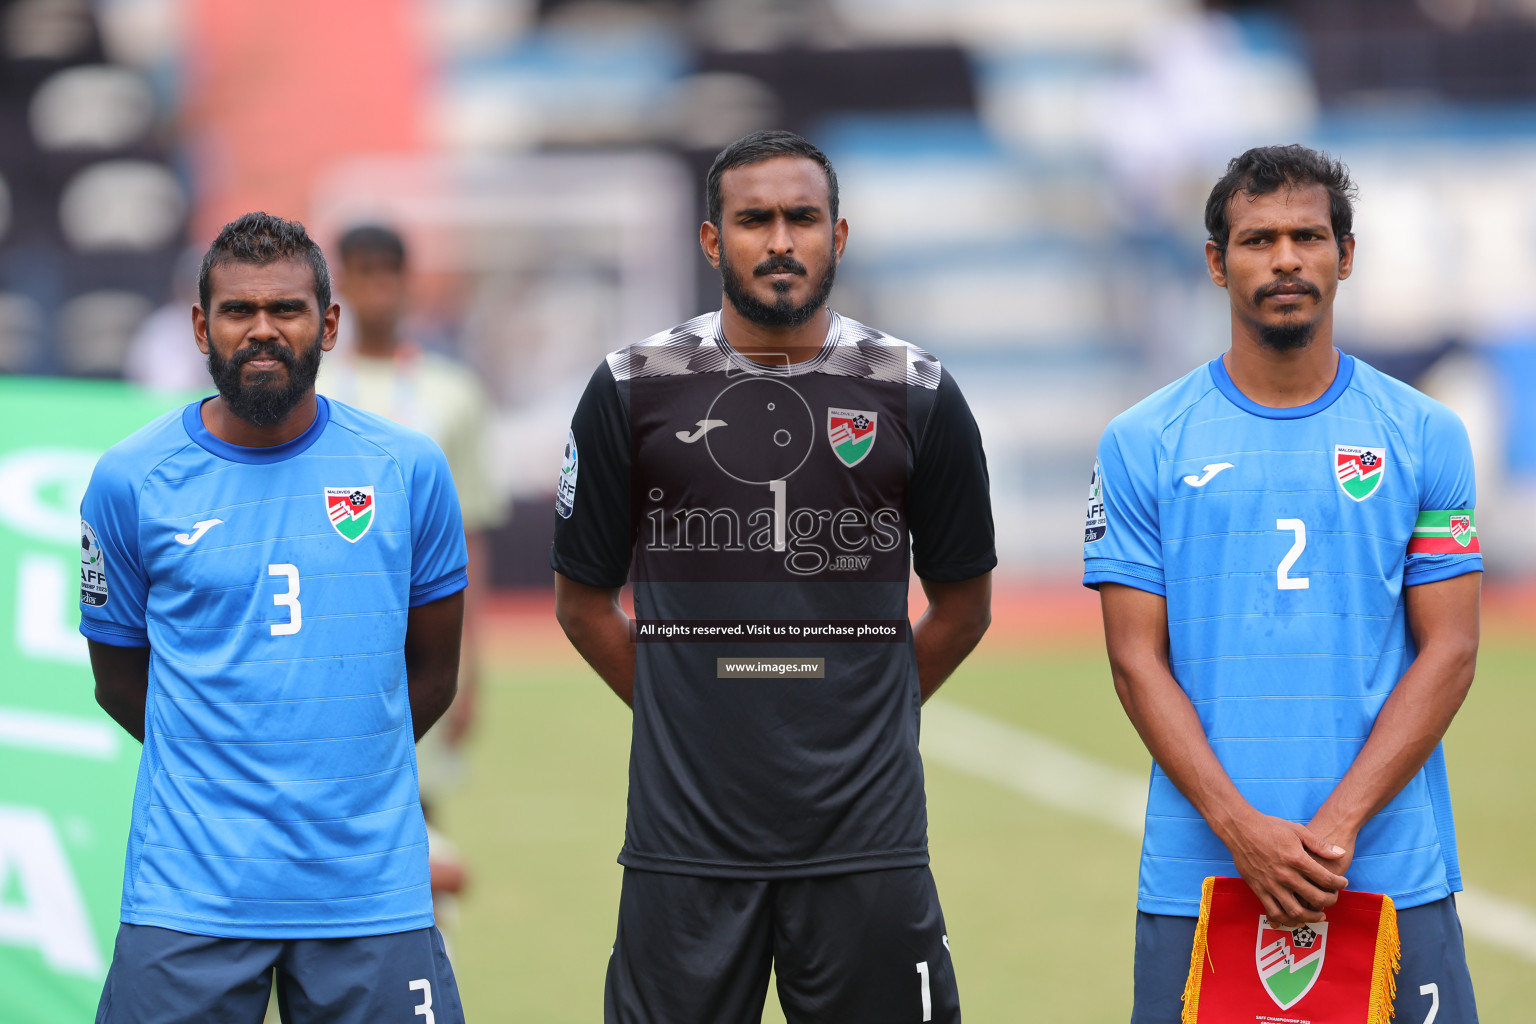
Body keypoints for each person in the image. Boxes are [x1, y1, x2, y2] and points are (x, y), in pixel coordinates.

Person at [551, 129, 996, 1024]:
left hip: (866, 844)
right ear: (713, 241)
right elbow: (581, 602)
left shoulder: (916, 390)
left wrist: (871, 707)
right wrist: (685, 706)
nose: (781, 241)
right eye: (755, 220)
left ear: (839, 235)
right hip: (685, 848)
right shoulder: (632, 386)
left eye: (803, 218)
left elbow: (963, 605)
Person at [1085, 145, 1482, 1023]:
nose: (1287, 259)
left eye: (1309, 236)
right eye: (1259, 240)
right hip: (1203, 878)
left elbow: (1451, 649)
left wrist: (1334, 827)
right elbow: (1133, 662)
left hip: (1386, 867)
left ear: (1347, 255)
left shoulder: (1425, 434)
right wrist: (1241, 831)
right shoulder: (1142, 441)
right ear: (1217, 263)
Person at [80, 212, 469, 1024]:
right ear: (201, 326)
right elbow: (119, 681)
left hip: (368, 891)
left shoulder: (408, 470)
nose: (263, 331)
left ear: (327, 324)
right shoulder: (127, 482)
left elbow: (433, 671)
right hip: (191, 893)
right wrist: (226, 771)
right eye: (237, 311)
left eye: (287, 310)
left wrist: (342, 773)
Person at [318, 224, 506, 915]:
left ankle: (430, 957)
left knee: (418, 802)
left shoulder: (450, 393)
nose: (374, 290)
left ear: (406, 282)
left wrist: (473, 665)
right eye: (359, 274)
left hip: (417, 638)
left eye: (385, 274)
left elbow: (469, 534)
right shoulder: (309, 386)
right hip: (326, 632)